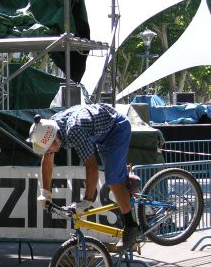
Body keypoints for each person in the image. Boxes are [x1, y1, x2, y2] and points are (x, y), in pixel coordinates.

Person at [27, 103, 139, 252]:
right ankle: (127, 187)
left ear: (54, 139)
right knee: (115, 173)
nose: (48, 152)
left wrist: (86, 201)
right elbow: (47, 159)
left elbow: (91, 168)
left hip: (116, 128)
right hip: (100, 131)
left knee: (113, 180)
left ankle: (131, 227)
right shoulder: (51, 124)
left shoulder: (75, 131)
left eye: (48, 148)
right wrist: (45, 192)